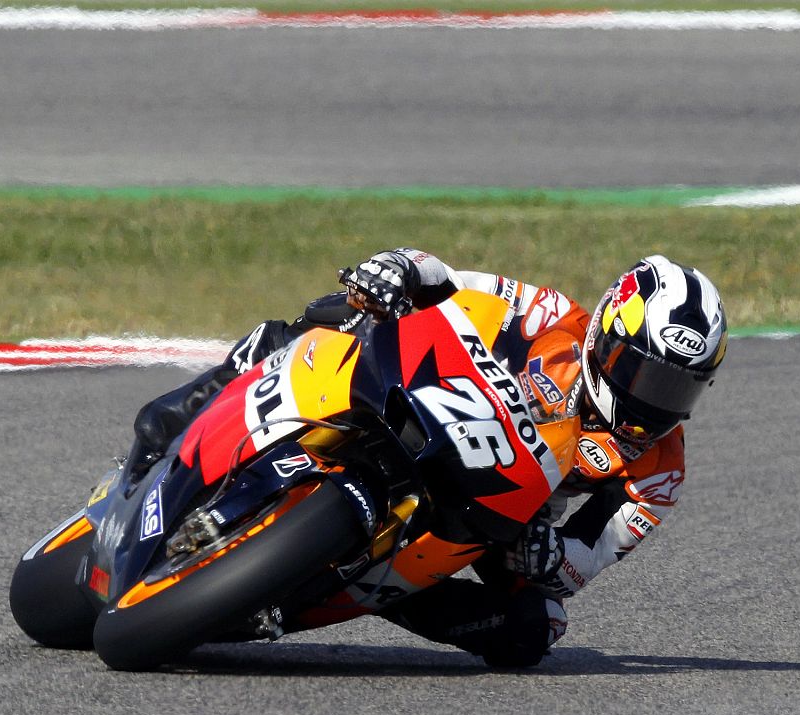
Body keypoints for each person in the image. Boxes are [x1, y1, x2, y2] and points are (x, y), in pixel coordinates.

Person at [124, 248, 728, 668]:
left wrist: (550, 556)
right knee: (336, 315)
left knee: (536, 626)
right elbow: (445, 279)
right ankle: (187, 411)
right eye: (645, 374)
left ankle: (351, 589)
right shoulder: (550, 317)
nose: (653, 401)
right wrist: (399, 269)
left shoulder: (659, 471)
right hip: (429, 406)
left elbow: (588, 558)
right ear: (606, 334)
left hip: (501, 510)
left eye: (679, 389)